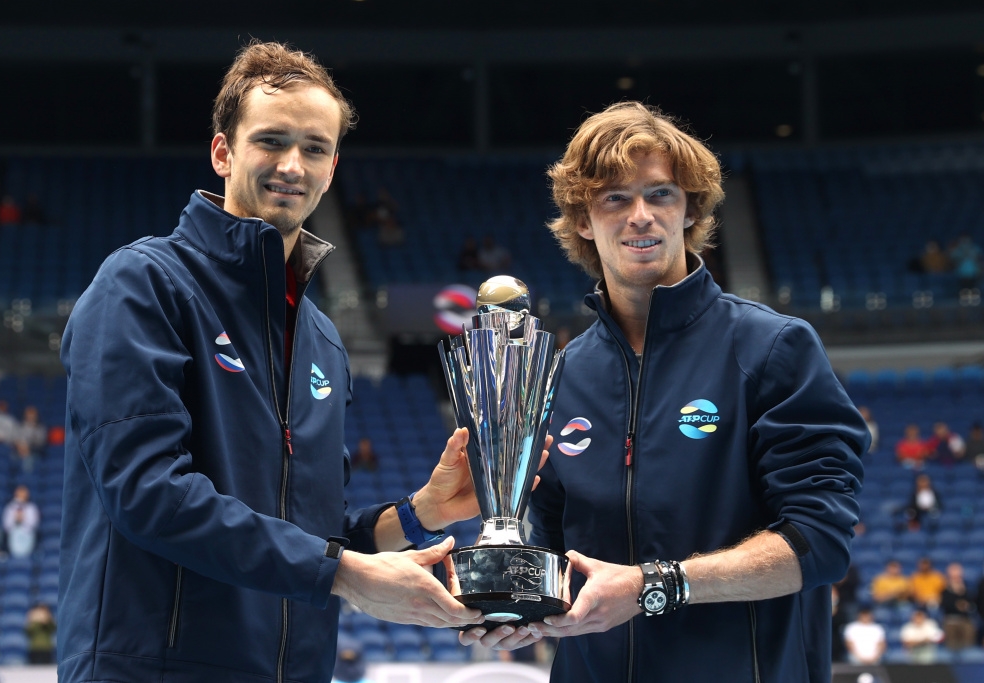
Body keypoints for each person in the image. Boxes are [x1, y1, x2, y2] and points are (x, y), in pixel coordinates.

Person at [56, 40, 519, 683]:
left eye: (315, 148)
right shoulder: (142, 285)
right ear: (223, 151)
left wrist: (420, 513)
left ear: (333, 168)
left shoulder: (321, 337)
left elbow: (309, 537)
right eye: (271, 141)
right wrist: (346, 575)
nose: (292, 165)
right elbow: (147, 493)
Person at [462, 101, 867, 682]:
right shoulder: (559, 372)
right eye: (615, 198)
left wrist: (655, 586)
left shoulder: (773, 348)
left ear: (689, 210)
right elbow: (554, 554)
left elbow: (819, 542)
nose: (640, 216)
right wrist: (516, 608)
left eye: (660, 194)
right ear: (583, 218)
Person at [940, 562, 977, 651]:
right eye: (953, 572)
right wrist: (957, 605)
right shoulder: (945, 589)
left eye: (958, 572)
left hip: (965, 619)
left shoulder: (966, 588)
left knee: (968, 639)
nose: (956, 575)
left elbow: (971, 603)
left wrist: (961, 592)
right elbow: (945, 604)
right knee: (952, 646)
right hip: (950, 620)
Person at [2, 484, 40, 557]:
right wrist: (15, 520)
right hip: (13, 534)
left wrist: (23, 519)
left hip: (28, 534)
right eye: (19, 492)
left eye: (24, 492)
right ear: (15, 494)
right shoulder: (10, 508)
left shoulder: (31, 508)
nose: (21, 495)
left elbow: (34, 524)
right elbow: (6, 526)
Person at [13, 404, 47, 471]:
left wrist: (28, 448)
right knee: (10, 458)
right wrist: (20, 447)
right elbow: (15, 439)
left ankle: (26, 479)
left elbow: (40, 442)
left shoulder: (40, 428)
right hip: (19, 451)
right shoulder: (20, 426)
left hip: (34, 452)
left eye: (32, 414)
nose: (31, 416)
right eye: (29, 414)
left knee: (28, 459)